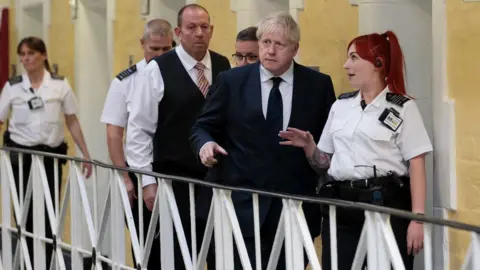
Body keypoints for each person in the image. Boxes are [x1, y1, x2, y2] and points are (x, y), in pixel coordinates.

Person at [190, 12, 336, 269]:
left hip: (294, 210)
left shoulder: (318, 85)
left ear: (295, 49)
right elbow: (202, 126)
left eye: (279, 45)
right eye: (265, 42)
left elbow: (329, 139)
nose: (270, 51)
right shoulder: (232, 81)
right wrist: (205, 145)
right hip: (240, 208)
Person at [278, 31, 431, 270]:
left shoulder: (402, 108)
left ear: (378, 63)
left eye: (354, 58)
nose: (346, 65)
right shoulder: (341, 106)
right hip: (342, 209)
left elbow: (417, 164)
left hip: (385, 208)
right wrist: (310, 146)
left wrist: (417, 219)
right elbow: (324, 163)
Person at [125, 4, 230, 269]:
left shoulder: (223, 65)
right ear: (178, 32)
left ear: (212, 31)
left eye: (204, 27)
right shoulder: (157, 69)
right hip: (173, 178)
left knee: (220, 254)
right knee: (179, 256)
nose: (199, 33)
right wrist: (147, 180)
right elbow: (139, 129)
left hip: (217, 179)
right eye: (192, 27)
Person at [0, 36, 92, 268]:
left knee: (51, 211)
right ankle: (26, 261)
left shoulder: (60, 85)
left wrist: (86, 155)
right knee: (24, 211)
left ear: (43, 55)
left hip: (50, 157)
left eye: (30, 53)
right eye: (22, 54)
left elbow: (71, 121)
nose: (26, 58)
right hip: (20, 157)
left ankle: (48, 261)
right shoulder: (13, 87)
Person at [100, 18, 174, 268]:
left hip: (174, 169)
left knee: (180, 245)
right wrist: (124, 176)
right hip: (139, 171)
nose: (160, 55)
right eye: (155, 49)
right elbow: (113, 133)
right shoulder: (125, 81)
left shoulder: (178, 76)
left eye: (166, 49)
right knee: (146, 246)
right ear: (142, 44)